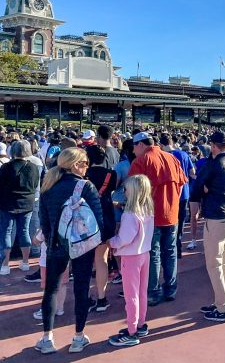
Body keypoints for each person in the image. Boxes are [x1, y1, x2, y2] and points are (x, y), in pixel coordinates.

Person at [35, 148, 104, 354]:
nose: (87, 167)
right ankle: (78, 337)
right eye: (84, 163)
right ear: (75, 165)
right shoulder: (86, 186)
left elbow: (44, 220)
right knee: (81, 288)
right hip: (82, 244)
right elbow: (97, 218)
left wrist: (51, 239)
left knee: (51, 289)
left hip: (56, 243)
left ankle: (47, 337)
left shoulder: (48, 185)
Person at [128, 132, 187, 306]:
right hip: (171, 214)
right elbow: (181, 185)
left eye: (133, 146)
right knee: (170, 251)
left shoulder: (140, 161)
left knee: (153, 254)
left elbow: (132, 191)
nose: (133, 150)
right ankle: (170, 289)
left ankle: (153, 292)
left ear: (140, 144)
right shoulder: (172, 158)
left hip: (150, 215)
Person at [190, 131, 225, 323]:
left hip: (217, 218)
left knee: (214, 264)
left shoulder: (214, 164)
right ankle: (221, 302)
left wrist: (205, 190)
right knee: (224, 263)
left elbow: (198, 184)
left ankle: (222, 307)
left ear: (213, 145)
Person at [108, 175, 155, 346]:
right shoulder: (147, 210)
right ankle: (139, 324)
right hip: (144, 254)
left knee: (131, 295)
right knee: (141, 292)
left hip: (131, 257)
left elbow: (124, 238)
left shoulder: (130, 214)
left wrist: (111, 242)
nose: (124, 192)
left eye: (126, 189)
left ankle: (131, 331)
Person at [85, 145, 117, 313]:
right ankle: (102, 298)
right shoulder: (111, 174)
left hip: (86, 219)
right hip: (105, 217)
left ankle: (85, 297)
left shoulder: (83, 175)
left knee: (84, 261)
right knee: (102, 259)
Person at [0, 140, 41, 275]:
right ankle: (25, 262)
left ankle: (5, 264)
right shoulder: (33, 167)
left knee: (6, 232)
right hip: (27, 203)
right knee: (24, 231)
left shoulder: (6, 167)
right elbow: (35, 185)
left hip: (8, 203)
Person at [160, 134, 195, 259]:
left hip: (169, 193)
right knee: (180, 221)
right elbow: (192, 172)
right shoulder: (184, 154)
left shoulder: (163, 156)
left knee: (168, 222)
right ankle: (178, 246)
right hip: (184, 193)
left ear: (161, 145)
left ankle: (169, 248)